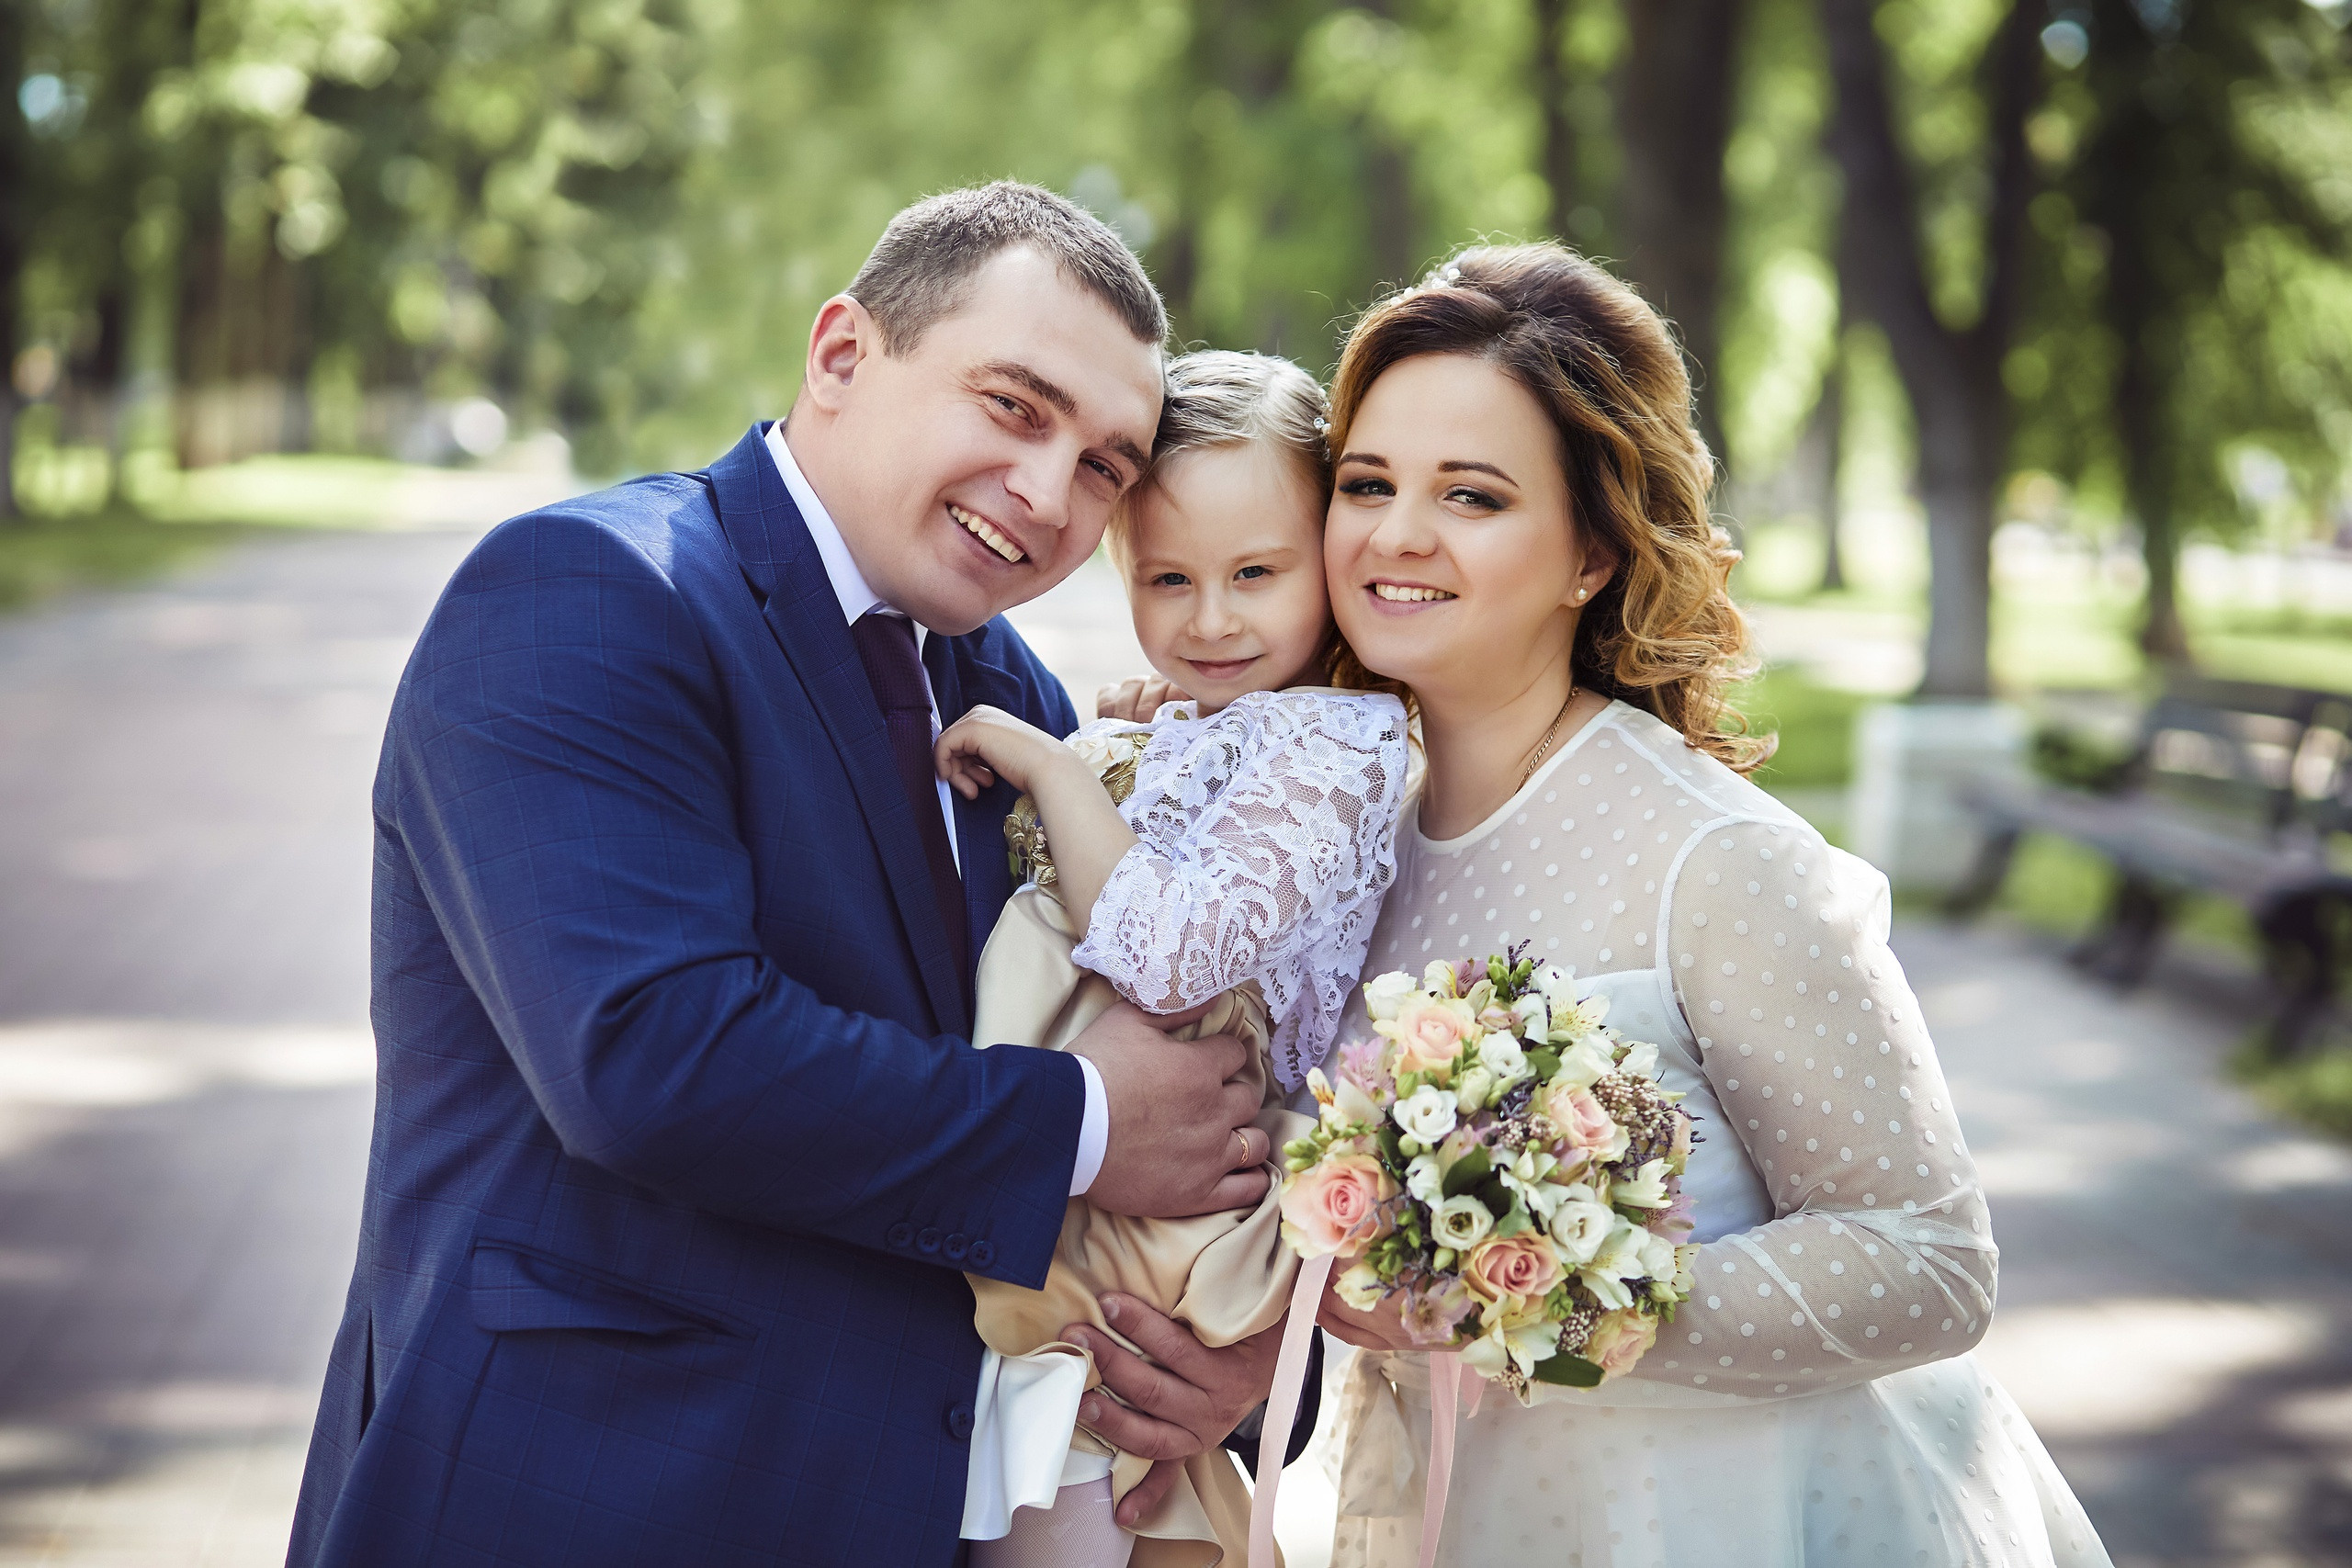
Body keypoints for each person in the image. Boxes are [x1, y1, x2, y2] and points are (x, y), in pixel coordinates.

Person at [286, 184, 1297, 1568]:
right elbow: (650, 1058)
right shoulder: (588, 595)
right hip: (585, 1495)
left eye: (1107, 465)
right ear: (840, 357)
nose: (1051, 493)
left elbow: (1178, 1042)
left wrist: (1231, 1374)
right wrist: (1078, 1119)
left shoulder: (1011, 694)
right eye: (1013, 406)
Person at [1303, 244, 2113, 1566]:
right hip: (1477, 1508)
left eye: (1473, 495)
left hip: (1731, 1513)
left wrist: (1546, 1294)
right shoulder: (1356, 845)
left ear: (1594, 557)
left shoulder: (1718, 857)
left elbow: (1929, 1259)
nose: (1397, 534)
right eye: (1367, 483)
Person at [934, 352, 1409, 1568]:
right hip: (1127, 1165)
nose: (1211, 619)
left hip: (1185, 1174)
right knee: (1093, 1457)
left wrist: (1055, 767)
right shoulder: (1237, 721)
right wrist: (1158, 741)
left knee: (1085, 1432)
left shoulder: (1339, 737)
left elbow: (1172, 952)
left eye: (1257, 574)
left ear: (1330, 559)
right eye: (1168, 578)